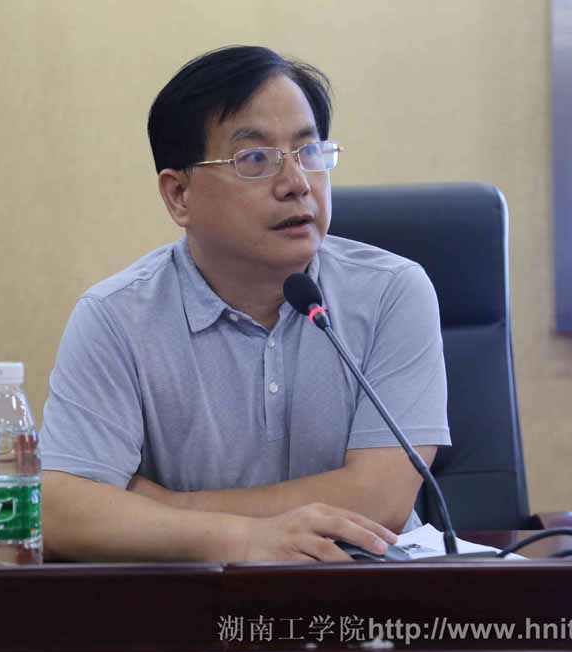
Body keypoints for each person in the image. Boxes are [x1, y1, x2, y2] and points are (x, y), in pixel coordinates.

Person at [40, 46, 451, 562]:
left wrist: (166, 507)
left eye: (308, 151)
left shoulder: (392, 292)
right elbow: (59, 510)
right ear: (179, 195)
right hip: (195, 602)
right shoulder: (116, 317)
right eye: (255, 159)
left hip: (361, 592)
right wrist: (244, 539)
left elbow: (379, 499)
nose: (297, 183)